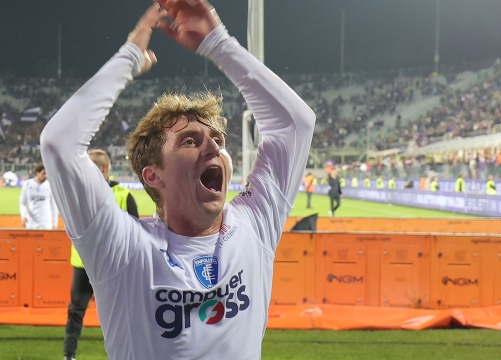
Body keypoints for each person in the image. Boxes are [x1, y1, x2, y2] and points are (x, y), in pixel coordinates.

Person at [40, 1, 315, 359]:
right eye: (190, 140)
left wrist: (219, 44)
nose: (212, 148)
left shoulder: (255, 224)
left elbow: (295, 124)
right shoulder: (123, 249)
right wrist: (128, 58)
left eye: (217, 139)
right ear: (153, 175)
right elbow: (59, 144)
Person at [63, 149, 139, 360]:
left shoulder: (122, 195)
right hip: (84, 264)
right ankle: (69, 355)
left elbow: (135, 233)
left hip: (111, 265)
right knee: (76, 311)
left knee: (120, 313)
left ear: (103, 169)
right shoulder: (77, 193)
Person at [19, 163, 58, 230]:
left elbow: (53, 205)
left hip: (46, 223)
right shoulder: (27, 184)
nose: (45, 176)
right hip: (31, 222)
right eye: (43, 173)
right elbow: (22, 203)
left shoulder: (50, 186)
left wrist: (55, 223)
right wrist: (23, 216)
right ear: (37, 173)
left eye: (46, 173)